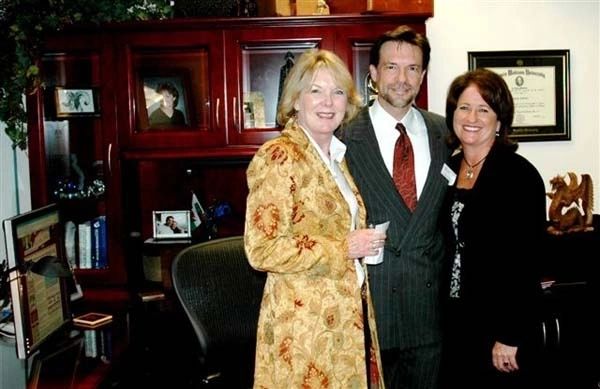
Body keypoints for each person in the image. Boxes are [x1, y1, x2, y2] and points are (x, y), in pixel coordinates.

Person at [244, 49, 387, 389]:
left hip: (343, 321)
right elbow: (261, 249)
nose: (328, 102)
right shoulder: (279, 156)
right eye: (316, 91)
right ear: (295, 100)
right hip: (303, 329)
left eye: (337, 92)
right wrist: (344, 247)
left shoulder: (336, 158)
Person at [338, 25, 452, 389]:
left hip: (428, 314)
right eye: (391, 67)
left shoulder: (447, 134)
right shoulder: (342, 135)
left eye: (412, 68)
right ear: (372, 74)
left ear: (423, 75)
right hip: (368, 314)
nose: (402, 79)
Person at [439, 68, 547, 388]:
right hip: (457, 323)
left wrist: (510, 335)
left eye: (484, 109)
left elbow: (528, 262)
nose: (472, 117)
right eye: (464, 107)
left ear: (499, 121)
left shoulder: (519, 176)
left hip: (500, 330)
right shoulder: (448, 168)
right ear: (453, 114)